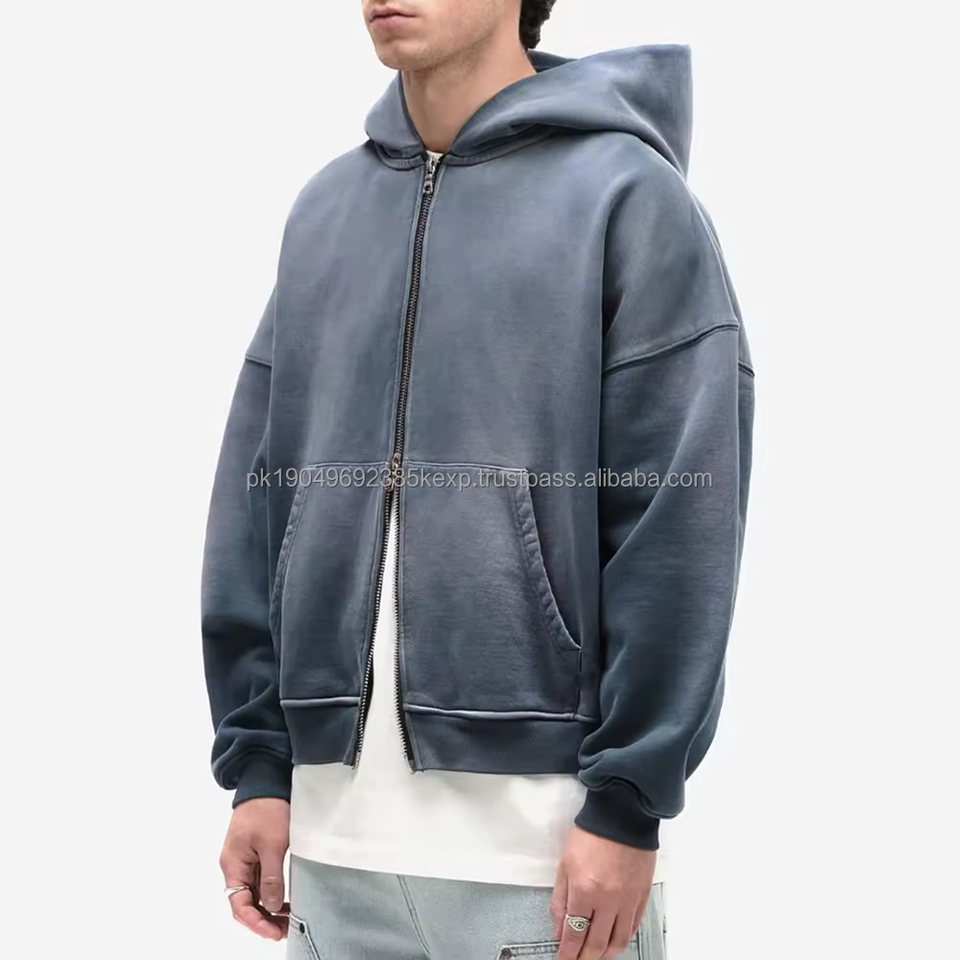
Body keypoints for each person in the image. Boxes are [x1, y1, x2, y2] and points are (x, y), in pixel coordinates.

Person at [200, 2, 755, 958]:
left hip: (544, 855)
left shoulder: (626, 194)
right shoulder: (327, 210)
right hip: (330, 854)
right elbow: (260, 494)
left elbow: (679, 515)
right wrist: (260, 766)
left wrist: (628, 799)